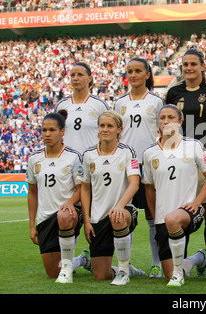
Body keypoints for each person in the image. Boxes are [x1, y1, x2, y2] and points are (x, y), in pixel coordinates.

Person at [165, 48, 206, 278]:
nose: (188, 68)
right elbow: (166, 122)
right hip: (181, 157)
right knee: (183, 207)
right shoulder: (173, 91)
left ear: (202, 66)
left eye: (193, 64)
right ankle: (181, 264)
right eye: (185, 64)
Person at [142, 104, 206, 287]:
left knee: (173, 220)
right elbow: (149, 189)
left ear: (180, 122)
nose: (166, 121)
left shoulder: (193, 146)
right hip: (163, 218)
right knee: (170, 274)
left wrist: (197, 202)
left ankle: (179, 272)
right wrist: (155, 216)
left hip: (188, 212)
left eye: (171, 118)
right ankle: (198, 258)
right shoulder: (150, 153)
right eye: (162, 118)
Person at [78, 110, 143, 286]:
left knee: (118, 216)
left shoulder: (128, 152)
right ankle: (124, 269)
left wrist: (120, 206)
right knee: (101, 275)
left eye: (110, 126)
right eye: (102, 125)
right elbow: (84, 188)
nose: (105, 129)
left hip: (124, 211)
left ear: (119, 129)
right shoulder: (88, 155)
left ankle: (123, 271)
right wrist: (87, 221)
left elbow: (134, 184)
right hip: (98, 216)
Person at [113, 58, 165, 278]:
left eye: (138, 71)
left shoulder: (156, 101)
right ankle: (127, 264)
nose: (133, 75)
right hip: (125, 166)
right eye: (129, 71)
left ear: (147, 74)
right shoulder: (119, 102)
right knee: (125, 215)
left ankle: (156, 264)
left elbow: (164, 132)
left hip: (149, 165)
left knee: (153, 216)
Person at [26, 112, 91, 284]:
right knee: (53, 272)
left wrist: (69, 202)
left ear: (62, 132)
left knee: (63, 216)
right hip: (45, 219)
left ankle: (68, 268)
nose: (47, 134)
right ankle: (82, 260)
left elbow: (81, 189)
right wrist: (32, 225)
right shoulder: (34, 159)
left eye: (52, 130)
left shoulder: (73, 157)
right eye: (44, 130)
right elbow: (32, 192)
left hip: (68, 214)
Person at [54, 62, 110, 155]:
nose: (75, 78)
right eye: (72, 75)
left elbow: (110, 136)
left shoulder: (99, 105)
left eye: (80, 75)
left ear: (89, 78)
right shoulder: (61, 106)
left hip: (91, 163)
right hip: (67, 163)